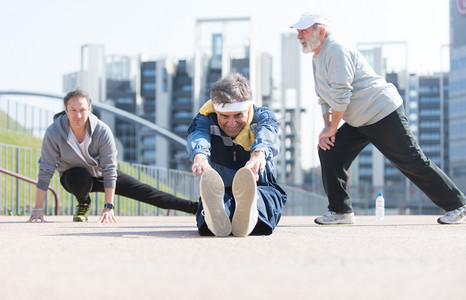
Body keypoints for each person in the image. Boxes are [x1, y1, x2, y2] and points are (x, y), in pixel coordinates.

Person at [290, 14, 466, 225]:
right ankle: (341, 211)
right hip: (358, 120)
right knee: (329, 150)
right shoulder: (316, 58)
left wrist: (333, 128)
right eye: (298, 31)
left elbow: (341, 93)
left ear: (321, 32)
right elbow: (324, 97)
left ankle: (458, 205)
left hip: (382, 111)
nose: (299, 35)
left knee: (411, 161)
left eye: (304, 30)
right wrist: (328, 127)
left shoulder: (337, 49)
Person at [27, 88, 198, 223]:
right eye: (73, 110)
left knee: (148, 192)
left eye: (82, 110)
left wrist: (108, 206)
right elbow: (46, 169)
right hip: (74, 178)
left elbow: (109, 168)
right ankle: (83, 202)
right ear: (65, 109)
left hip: (102, 174)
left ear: (89, 109)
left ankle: (196, 208)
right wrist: (38, 208)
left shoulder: (102, 130)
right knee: (78, 177)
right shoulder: (54, 132)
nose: (78, 115)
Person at [187, 73, 287, 237]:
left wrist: (258, 153)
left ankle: (252, 209)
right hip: (221, 189)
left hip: (259, 186)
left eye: (238, 115)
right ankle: (217, 216)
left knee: (268, 198)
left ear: (248, 108)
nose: (231, 124)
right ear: (216, 110)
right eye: (224, 116)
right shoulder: (205, 119)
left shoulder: (262, 116)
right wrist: (200, 155)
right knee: (212, 205)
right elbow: (197, 135)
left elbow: (268, 132)